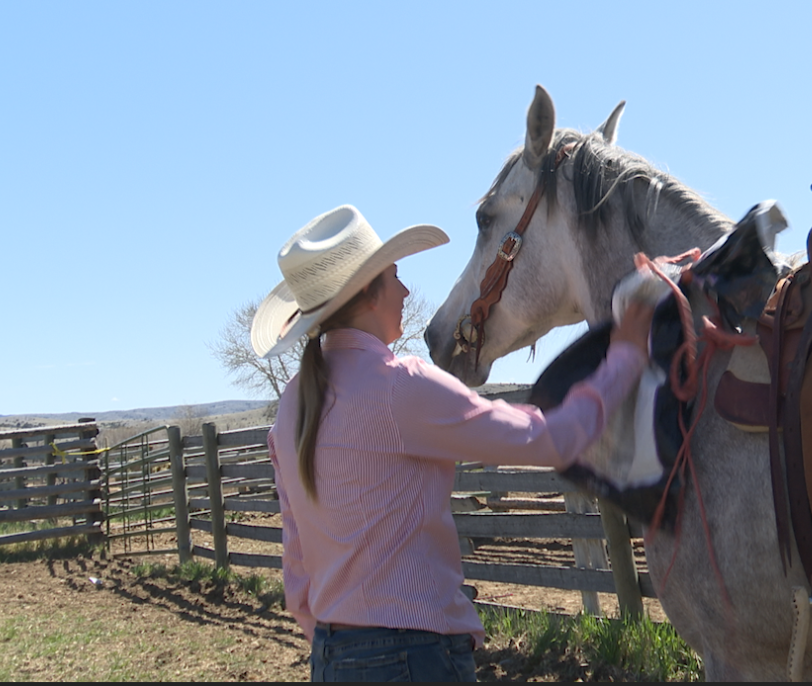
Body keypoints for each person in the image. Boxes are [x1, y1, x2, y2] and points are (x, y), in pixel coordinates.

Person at [252, 205, 653, 682]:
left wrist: (341, 642)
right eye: (394, 276)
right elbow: (550, 441)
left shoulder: (293, 405)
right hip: (412, 655)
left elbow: (297, 564)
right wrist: (626, 356)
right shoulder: (402, 386)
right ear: (367, 291)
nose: (403, 290)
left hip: (331, 654)